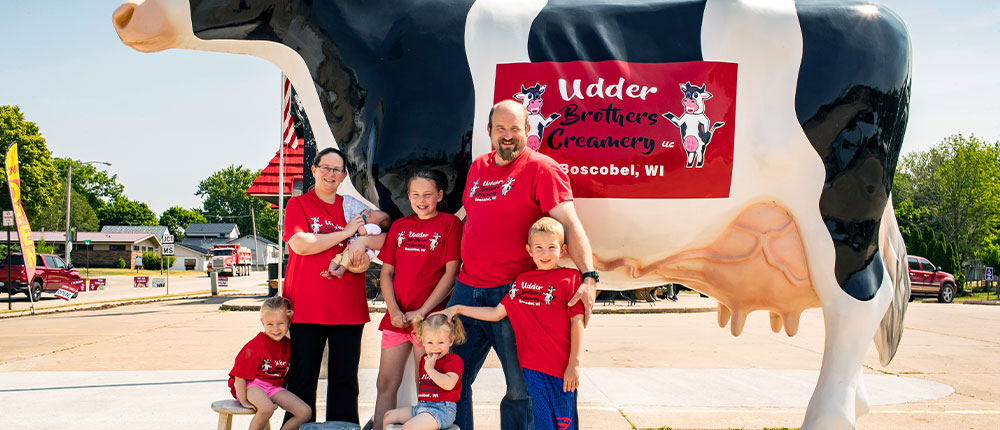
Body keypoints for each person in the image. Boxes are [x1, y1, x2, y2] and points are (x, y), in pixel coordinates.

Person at [449, 99, 598, 430]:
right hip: (467, 288)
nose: (507, 135)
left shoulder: (543, 169)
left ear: (528, 131)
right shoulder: (477, 167)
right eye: (500, 128)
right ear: (489, 131)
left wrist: (588, 277)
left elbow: (570, 223)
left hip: (515, 294)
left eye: (515, 128)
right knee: (452, 379)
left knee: (521, 390)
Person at [438, 218, 585, 430]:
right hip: (532, 370)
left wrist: (575, 364)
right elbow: (496, 313)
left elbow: (577, 322)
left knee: (564, 424)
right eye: (539, 248)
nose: (545, 254)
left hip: (561, 370)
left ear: (562, 250)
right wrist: (459, 308)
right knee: (543, 424)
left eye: (551, 247)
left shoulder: (570, 279)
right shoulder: (522, 281)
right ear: (529, 250)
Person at [282, 147, 386, 425]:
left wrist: (363, 241)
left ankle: (344, 426)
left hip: (347, 309)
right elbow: (301, 244)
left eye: (336, 170)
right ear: (314, 170)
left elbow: (386, 231)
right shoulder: (298, 205)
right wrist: (346, 232)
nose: (330, 174)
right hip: (305, 308)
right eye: (325, 168)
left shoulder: (353, 208)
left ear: (343, 176)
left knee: (345, 382)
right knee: (302, 380)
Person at [373, 170, 462, 430]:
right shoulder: (400, 226)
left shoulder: (450, 223)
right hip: (397, 318)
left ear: (439, 195)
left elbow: (451, 272)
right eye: (415, 195)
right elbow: (386, 273)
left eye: (427, 195)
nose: (421, 200)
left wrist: (422, 311)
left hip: (429, 322)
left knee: (425, 383)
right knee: (385, 383)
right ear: (408, 197)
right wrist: (393, 310)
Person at [228, 296, 312, 430]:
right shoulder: (256, 345)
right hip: (251, 385)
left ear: (289, 322)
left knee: (304, 412)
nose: (275, 329)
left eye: (280, 323)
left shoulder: (289, 345)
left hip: (273, 387)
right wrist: (243, 400)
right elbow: (239, 375)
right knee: (267, 408)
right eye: (270, 324)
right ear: (262, 322)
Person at [382, 314, 466, 430]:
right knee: (388, 416)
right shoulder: (424, 360)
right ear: (423, 341)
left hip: (442, 410)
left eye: (441, 342)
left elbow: (449, 384)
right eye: (430, 342)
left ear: (450, 341)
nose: (435, 347)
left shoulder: (453, 360)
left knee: (409, 427)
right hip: (422, 407)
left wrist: (430, 369)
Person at [321, 209, 391, 279]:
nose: (368, 214)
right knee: (338, 257)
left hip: (362, 257)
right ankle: (330, 271)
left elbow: (362, 231)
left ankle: (340, 271)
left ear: (376, 224)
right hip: (353, 253)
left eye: (370, 216)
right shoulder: (369, 225)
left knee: (347, 256)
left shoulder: (375, 228)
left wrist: (362, 217)